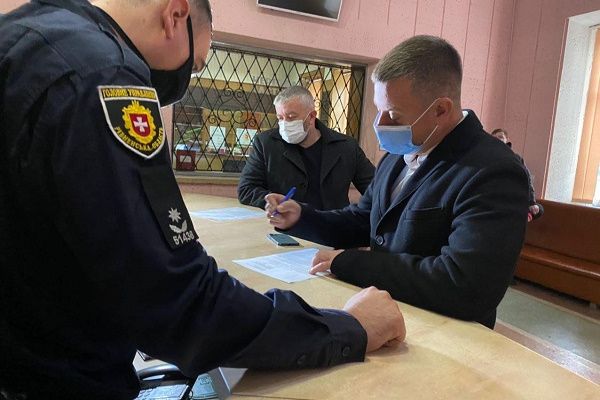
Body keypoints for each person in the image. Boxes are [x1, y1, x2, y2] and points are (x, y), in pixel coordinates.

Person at [0, 1, 405, 398]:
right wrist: (346, 328)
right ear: (175, 16)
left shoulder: (26, 34)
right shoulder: (103, 75)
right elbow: (176, 297)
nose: (186, 78)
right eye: (195, 65)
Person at [265, 35, 530, 330]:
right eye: (379, 110)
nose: (380, 124)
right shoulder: (397, 155)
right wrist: (302, 217)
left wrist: (352, 263)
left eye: (393, 114)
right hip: (387, 313)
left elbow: (465, 285)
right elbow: (364, 220)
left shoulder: (493, 171)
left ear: (441, 110)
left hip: (445, 331)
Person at [238, 86, 375, 210]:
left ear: (311, 117)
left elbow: (376, 189)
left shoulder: (346, 147)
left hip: (332, 225)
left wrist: (361, 212)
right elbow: (246, 189)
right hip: (286, 224)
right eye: (280, 118)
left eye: (291, 117)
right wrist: (272, 201)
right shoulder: (266, 143)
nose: (285, 124)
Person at [490, 128, 544, 221]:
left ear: (507, 140)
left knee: (539, 209)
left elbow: (527, 179)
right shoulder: (487, 157)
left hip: (513, 198)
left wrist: (532, 202)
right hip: (495, 199)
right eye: (495, 138)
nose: (498, 139)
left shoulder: (517, 158)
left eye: (500, 137)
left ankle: (525, 215)